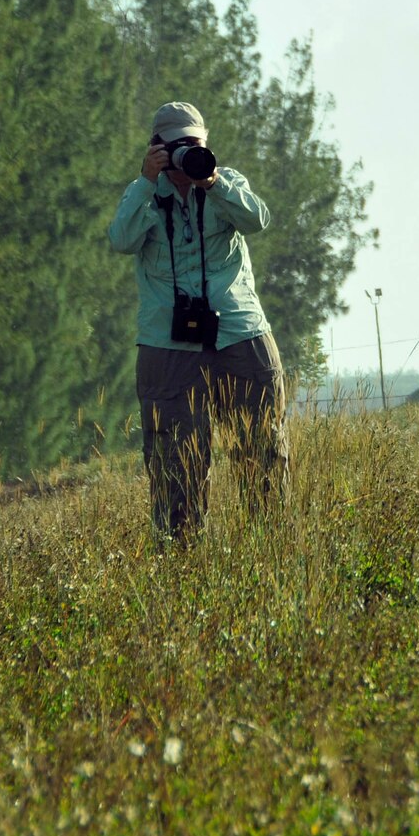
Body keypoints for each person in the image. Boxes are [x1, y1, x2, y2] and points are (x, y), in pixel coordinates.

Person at [107, 102, 287, 539]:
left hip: (239, 334)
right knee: (175, 464)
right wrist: (147, 182)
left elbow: (257, 219)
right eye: (178, 147)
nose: (189, 154)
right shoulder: (145, 194)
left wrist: (215, 182)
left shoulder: (225, 184)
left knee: (262, 452)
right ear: (157, 149)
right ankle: (180, 561)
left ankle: (268, 550)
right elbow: (121, 240)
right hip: (167, 348)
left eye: (196, 144)